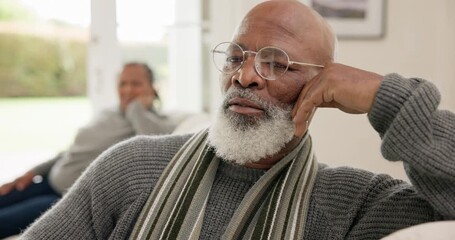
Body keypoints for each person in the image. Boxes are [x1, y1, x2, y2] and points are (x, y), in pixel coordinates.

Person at [22, 1, 455, 239]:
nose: (244, 76)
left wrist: (388, 99)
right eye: (235, 57)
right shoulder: (131, 166)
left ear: (322, 87)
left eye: (276, 63)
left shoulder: (356, 206)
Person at [0, 62, 177, 238]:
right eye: (123, 83)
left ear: (152, 88)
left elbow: (154, 146)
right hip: (48, 179)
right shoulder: (108, 114)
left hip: (65, 199)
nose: (128, 90)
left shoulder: (157, 123)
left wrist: (135, 109)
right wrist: (32, 172)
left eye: (136, 84)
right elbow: (72, 151)